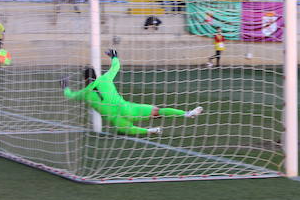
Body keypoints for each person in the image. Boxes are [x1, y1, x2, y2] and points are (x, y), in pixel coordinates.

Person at [61, 50, 204, 136]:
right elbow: (116, 66)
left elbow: (70, 95)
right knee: (157, 111)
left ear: (85, 79)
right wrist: (114, 55)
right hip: (127, 108)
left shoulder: (84, 93)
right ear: (96, 75)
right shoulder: (105, 78)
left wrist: (65, 86)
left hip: (116, 119)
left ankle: (150, 131)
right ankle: (187, 114)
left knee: (126, 130)